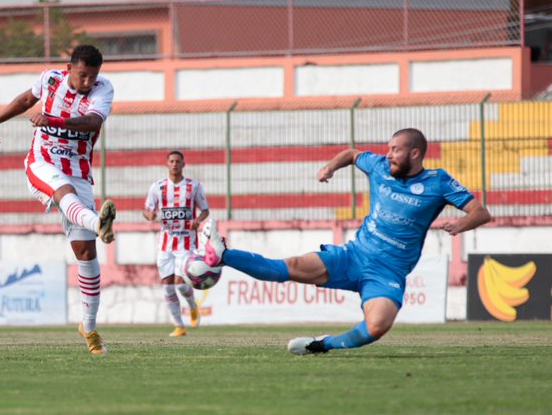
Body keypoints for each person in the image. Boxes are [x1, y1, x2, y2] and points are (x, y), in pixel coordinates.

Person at [200, 128, 491, 354]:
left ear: (415, 153)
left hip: (388, 272)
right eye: (388, 149)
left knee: (376, 327)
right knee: (289, 266)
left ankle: (321, 345)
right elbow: (352, 154)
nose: (388, 154)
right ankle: (223, 254)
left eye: (395, 150)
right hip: (353, 256)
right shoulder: (378, 166)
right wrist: (329, 167)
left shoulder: (438, 182)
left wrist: (461, 223)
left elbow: (481, 212)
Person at [0, 44, 116, 356]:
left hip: (79, 171)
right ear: (69, 68)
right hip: (42, 163)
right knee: (64, 195)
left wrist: (53, 121)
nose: (87, 82)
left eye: (92, 76)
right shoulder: (50, 79)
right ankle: (99, 222)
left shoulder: (103, 89)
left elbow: (93, 122)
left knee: (86, 253)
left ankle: (89, 327)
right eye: (83, 75)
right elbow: (26, 100)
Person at [143, 150, 210, 337]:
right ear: (167, 164)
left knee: (180, 284)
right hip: (165, 245)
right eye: (171, 161)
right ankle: (179, 326)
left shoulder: (194, 187)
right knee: (167, 286)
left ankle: (192, 307)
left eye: (178, 161)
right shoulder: (157, 187)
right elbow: (147, 210)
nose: (174, 164)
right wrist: (150, 215)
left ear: (183, 164)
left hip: (186, 244)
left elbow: (205, 210)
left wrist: (197, 220)